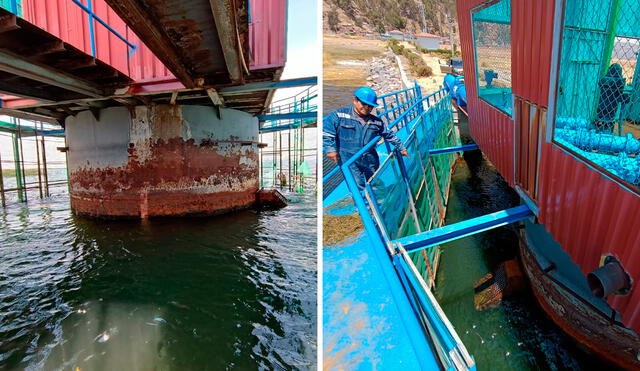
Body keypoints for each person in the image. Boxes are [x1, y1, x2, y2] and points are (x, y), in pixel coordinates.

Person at [323, 86, 409, 190]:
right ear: (355, 101)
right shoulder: (338, 116)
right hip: (349, 160)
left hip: (370, 158)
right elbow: (327, 133)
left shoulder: (376, 122)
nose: (367, 108)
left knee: (374, 181)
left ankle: (378, 200)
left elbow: (390, 135)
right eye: (363, 104)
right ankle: (365, 204)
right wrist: (330, 149)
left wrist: (402, 148)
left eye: (370, 106)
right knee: (357, 184)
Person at [595, 63, 629, 133]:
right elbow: (623, 97)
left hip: (601, 111)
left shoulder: (604, 80)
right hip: (611, 113)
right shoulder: (619, 82)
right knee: (609, 125)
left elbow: (600, 82)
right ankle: (607, 131)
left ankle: (600, 130)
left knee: (600, 125)